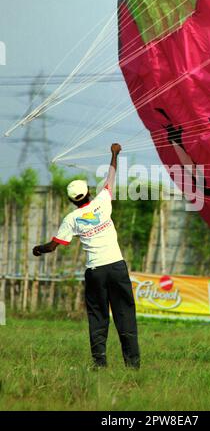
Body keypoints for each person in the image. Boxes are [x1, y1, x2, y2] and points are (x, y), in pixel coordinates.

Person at [33, 143, 140, 369]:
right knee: (125, 315)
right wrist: (114, 153)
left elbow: (53, 246)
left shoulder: (71, 219)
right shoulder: (103, 201)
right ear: (89, 193)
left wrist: (38, 249)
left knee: (98, 317)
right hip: (117, 267)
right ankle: (133, 366)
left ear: (73, 200)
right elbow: (111, 175)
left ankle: (99, 364)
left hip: (95, 272)